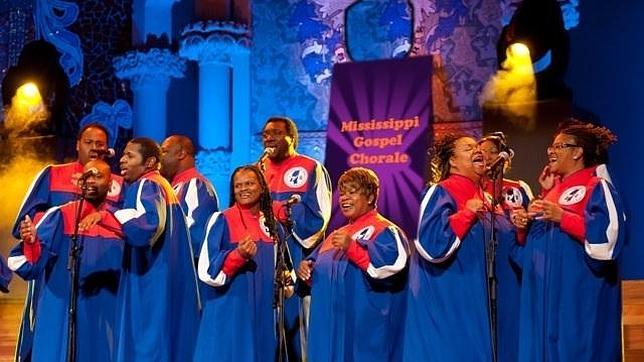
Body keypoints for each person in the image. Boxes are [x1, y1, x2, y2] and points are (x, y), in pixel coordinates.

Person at [511, 120, 624, 361]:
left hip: (577, 297)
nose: (551, 151)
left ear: (577, 151)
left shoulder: (597, 185)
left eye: (559, 146)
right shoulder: (550, 192)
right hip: (543, 303)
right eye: (550, 147)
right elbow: (528, 254)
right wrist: (523, 228)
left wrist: (564, 217)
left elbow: (608, 239)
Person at [11, 123, 123, 361]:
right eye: (89, 142)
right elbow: (27, 217)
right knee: (49, 324)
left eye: (100, 144)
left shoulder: (119, 184)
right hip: (55, 260)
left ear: (107, 149)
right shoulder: (53, 174)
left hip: (101, 266)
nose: (94, 147)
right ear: (77, 145)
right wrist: (56, 221)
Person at [403, 133, 517, 361]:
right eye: (468, 148)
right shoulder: (441, 190)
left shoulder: (488, 199)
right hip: (451, 301)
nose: (478, 151)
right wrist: (466, 214)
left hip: (484, 302)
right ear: (452, 161)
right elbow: (430, 244)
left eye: (479, 147)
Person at [298, 167, 409, 362]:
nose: (344, 198)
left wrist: (352, 248)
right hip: (329, 330)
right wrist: (306, 268)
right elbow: (317, 269)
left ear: (370, 197)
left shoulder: (385, 230)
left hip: (364, 331)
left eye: (352, 192)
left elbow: (391, 266)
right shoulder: (335, 235)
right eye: (342, 193)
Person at [114, 137, 200, 362]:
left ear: (150, 162)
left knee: (146, 338)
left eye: (130, 156)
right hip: (164, 274)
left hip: (150, 277)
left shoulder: (147, 183)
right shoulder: (164, 185)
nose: (122, 160)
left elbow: (147, 227)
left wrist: (113, 216)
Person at [194, 165, 286, 361]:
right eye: (238, 186)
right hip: (230, 310)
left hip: (263, 314)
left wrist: (286, 279)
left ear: (262, 187)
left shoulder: (273, 225)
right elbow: (207, 272)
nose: (243, 189)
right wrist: (239, 255)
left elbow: (285, 267)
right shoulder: (221, 219)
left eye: (249, 183)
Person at [260, 116, 332, 359]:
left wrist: (286, 217)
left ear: (292, 138)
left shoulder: (311, 167)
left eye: (276, 133)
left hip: (298, 251)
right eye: (266, 133)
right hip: (265, 253)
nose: (268, 137)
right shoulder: (258, 169)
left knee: (298, 320)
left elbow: (321, 215)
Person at [478, 132, 533, 362]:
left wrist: (522, 223)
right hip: (481, 264)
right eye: (481, 152)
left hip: (510, 264)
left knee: (510, 319)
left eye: (493, 151)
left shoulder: (518, 189)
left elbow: (531, 225)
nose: (488, 157)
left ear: (505, 158)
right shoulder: (473, 189)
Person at [160, 135, 219, 255]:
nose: (160, 158)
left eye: (164, 152)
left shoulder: (195, 184)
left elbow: (194, 234)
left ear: (181, 154)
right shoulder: (178, 186)